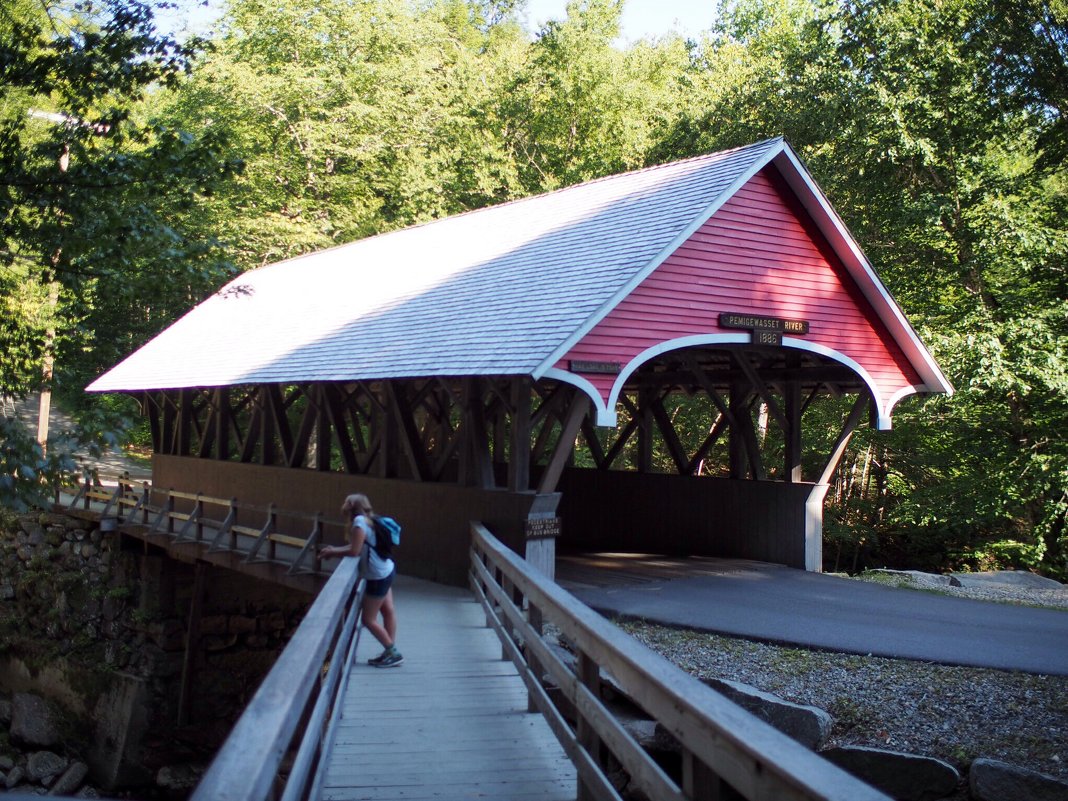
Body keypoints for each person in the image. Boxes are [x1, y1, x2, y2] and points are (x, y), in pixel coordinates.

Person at [318, 493, 403, 668]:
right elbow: (360, 545)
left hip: (377, 576)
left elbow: (354, 551)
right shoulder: (370, 520)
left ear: (350, 505)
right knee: (388, 610)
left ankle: (392, 652)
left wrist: (333, 553)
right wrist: (335, 549)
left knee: (368, 619)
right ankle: (388, 650)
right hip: (387, 569)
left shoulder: (358, 522)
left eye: (345, 502)